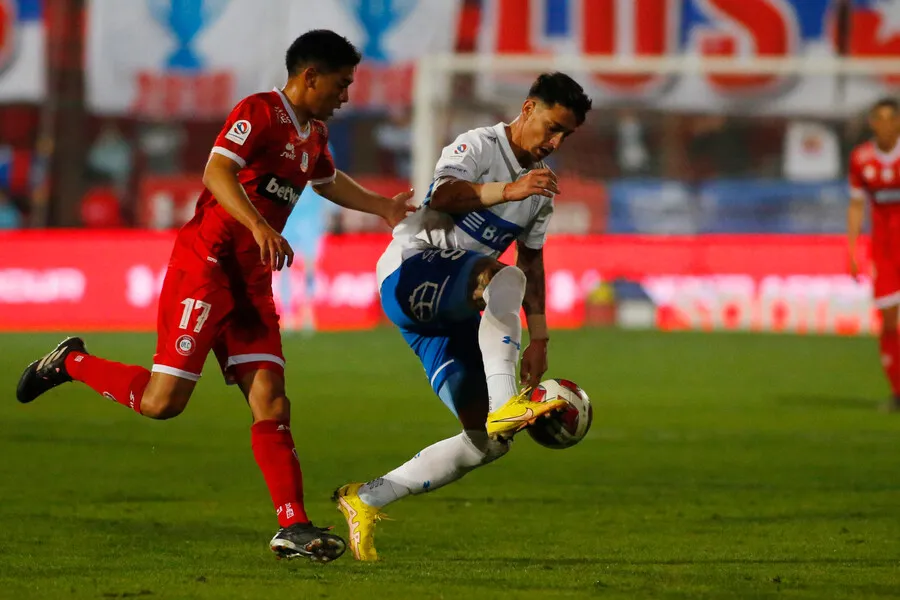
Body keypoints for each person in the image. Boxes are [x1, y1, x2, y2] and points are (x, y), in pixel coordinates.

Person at [16, 30, 412, 562]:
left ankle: (292, 526)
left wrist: (383, 207)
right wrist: (258, 225)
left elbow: (327, 180)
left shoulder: (313, 133)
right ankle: (71, 363)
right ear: (310, 76)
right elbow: (216, 170)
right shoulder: (259, 111)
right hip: (205, 268)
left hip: (251, 280)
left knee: (271, 400)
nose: (346, 96)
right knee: (163, 404)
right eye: (340, 85)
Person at [333, 72, 592, 560]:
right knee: (499, 277)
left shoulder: (540, 191)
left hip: (449, 314)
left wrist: (539, 340)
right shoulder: (477, 144)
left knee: (487, 443)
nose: (554, 143)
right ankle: (504, 401)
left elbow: (533, 262)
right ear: (529, 108)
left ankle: (366, 498)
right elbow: (443, 196)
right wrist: (510, 190)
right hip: (409, 275)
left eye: (566, 137)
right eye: (552, 128)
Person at [848, 97, 900, 413]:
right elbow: (856, 205)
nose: (883, 124)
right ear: (872, 123)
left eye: (889, 118)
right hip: (883, 250)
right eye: (877, 118)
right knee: (889, 320)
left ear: (897, 123)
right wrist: (852, 248)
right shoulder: (861, 158)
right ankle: (897, 391)